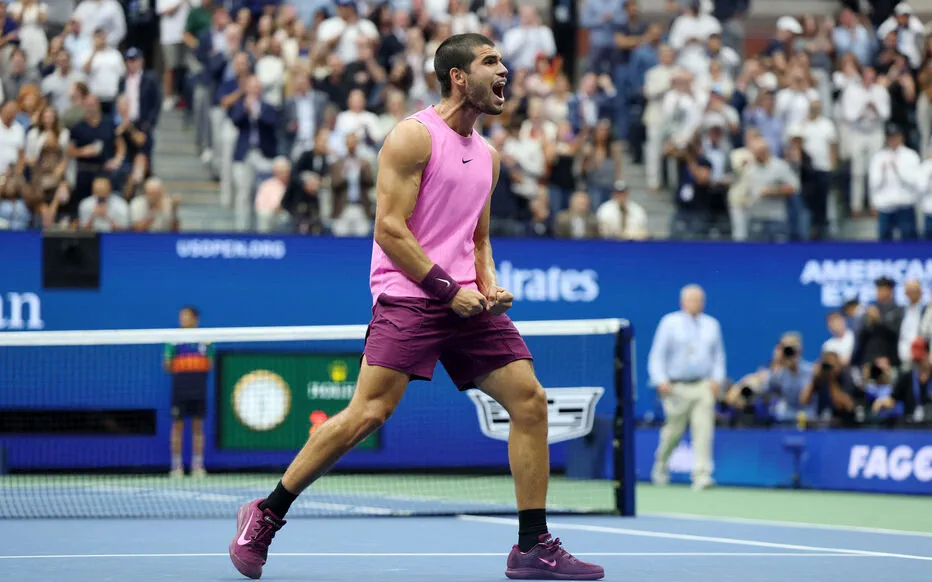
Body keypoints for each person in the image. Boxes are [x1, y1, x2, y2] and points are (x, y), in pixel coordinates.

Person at [228, 34, 604, 582]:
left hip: (468, 303)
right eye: (491, 62)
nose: (505, 71)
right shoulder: (412, 137)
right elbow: (389, 229)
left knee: (530, 401)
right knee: (368, 415)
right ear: (458, 76)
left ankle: (532, 546)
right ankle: (266, 512)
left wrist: (489, 286)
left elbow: (478, 240)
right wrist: (450, 289)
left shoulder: (489, 158)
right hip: (411, 295)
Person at [647, 284, 725, 490]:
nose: (696, 304)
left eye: (700, 300)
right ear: (683, 302)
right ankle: (661, 466)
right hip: (676, 387)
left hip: (702, 386)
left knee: (704, 430)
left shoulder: (712, 325)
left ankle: (702, 475)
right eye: (692, 300)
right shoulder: (669, 323)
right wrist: (660, 379)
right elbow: (657, 355)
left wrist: (717, 379)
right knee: (673, 432)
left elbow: (718, 356)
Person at [163, 305, 213, 478]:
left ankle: (197, 465)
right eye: (181, 316)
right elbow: (167, 365)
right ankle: (176, 466)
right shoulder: (174, 340)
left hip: (199, 390)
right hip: (180, 391)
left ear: (195, 319)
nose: (182, 319)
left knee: (198, 428)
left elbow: (210, 363)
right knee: (177, 427)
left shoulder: (205, 340)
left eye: (185, 316)